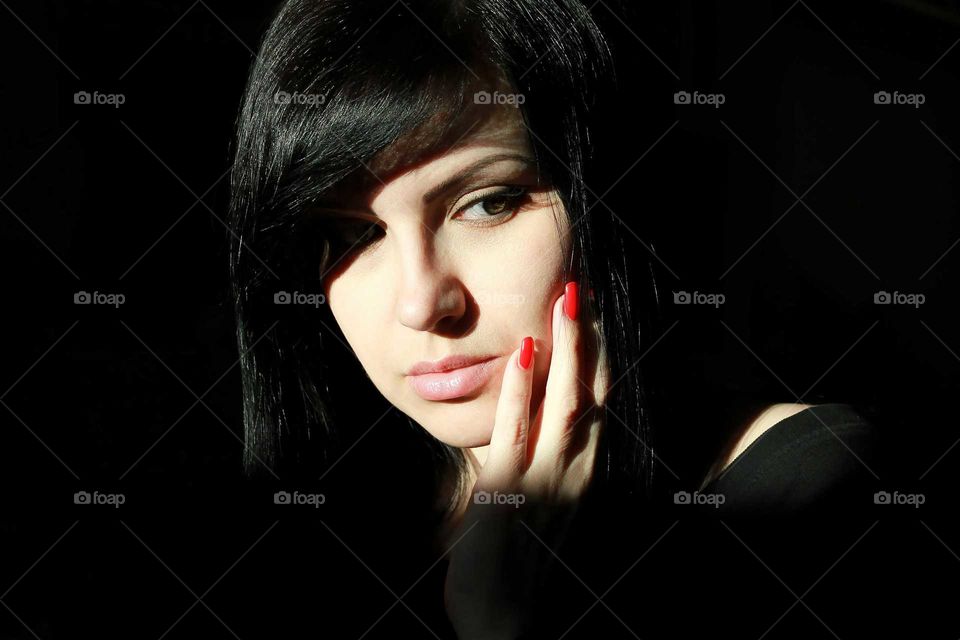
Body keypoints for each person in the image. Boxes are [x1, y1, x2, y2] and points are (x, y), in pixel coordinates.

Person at [226, 0, 882, 636]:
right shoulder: (319, 510)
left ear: (609, 198)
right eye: (350, 236)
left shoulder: (814, 493)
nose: (420, 303)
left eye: (490, 203)